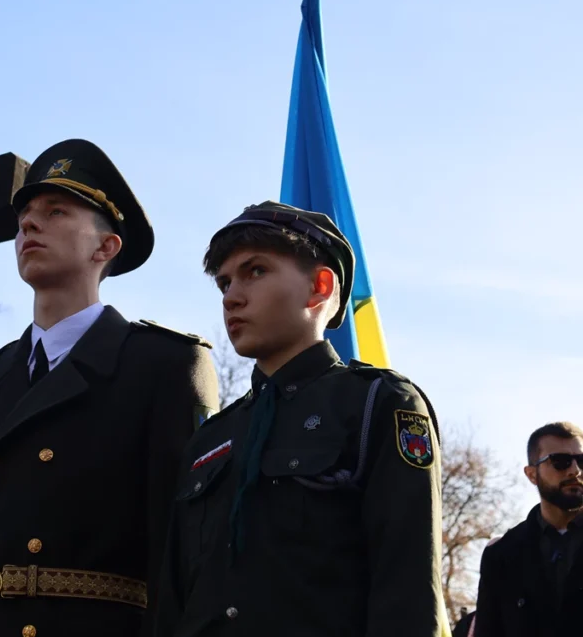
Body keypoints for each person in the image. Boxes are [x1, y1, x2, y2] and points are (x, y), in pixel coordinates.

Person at [0, 139, 219, 637]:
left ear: (105, 246)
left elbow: (180, 553)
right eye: (24, 217)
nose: (28, 224)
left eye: (56, 211)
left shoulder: (164, 365)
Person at [155, 201, 448, 637]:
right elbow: (174, 604)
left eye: (255, 271)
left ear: (319, 287)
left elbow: (408, 593)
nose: (232, 296)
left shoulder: (378, 404)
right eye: (224, 283)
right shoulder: (211, 438)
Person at [474, 421, 583, 637]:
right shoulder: (502, 555)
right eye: (560, 461)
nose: (575, 471)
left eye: (581, 460)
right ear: (532, 474)